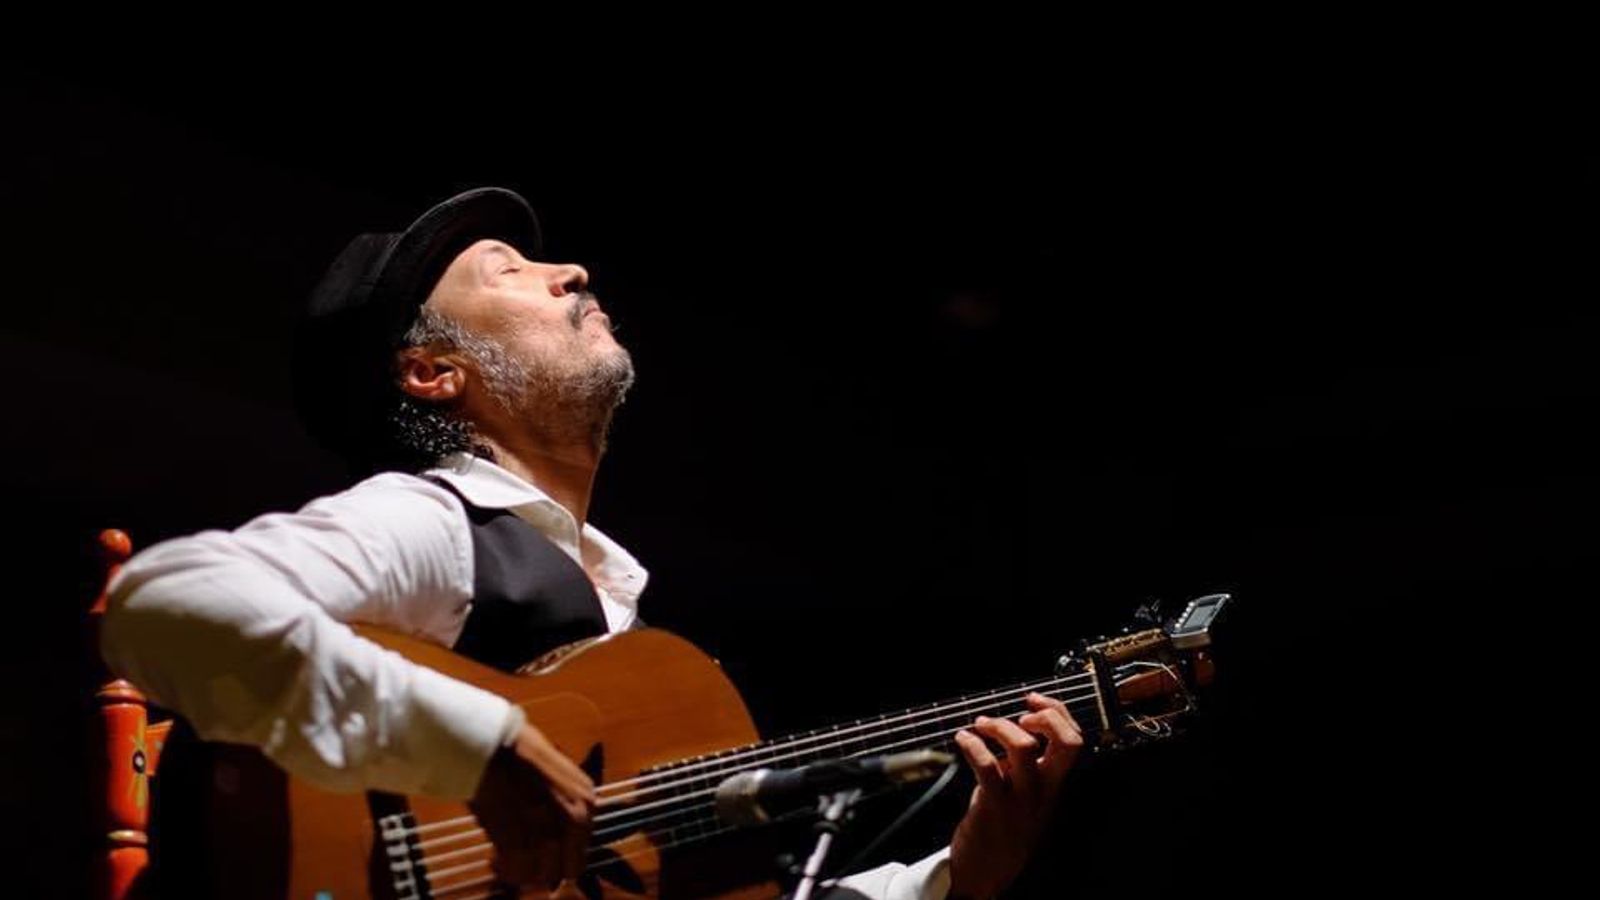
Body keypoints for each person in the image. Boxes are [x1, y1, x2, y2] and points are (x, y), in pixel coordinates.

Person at [101, 186, 1083, 899]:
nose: (573, 271)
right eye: (511, 271)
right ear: (433, 373)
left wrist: (959, 878)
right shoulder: (435, 522)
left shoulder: (611, 614)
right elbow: (168, 604)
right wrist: (473, 748)